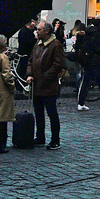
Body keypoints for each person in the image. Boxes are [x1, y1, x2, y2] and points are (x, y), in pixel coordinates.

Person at [29, 21, 65, 150]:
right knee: (38, 112)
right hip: (37, 84)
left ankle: (55, 139)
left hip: (49, 85)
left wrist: (45, 76)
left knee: (51, 113)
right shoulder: (37, 45)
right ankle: (40, 136)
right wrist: (29, 74)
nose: (37, 31)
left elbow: (58, 64)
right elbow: (30, 60)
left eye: (39, 29)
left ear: (47, 31)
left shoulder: (55, 45)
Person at [76, 20, 100, 110]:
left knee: (85, 82)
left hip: (87, 61)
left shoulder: (87, 33)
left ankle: (81, 103)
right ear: (99, 25)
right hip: (95, 61)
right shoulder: (98, 34)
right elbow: (98, 48)